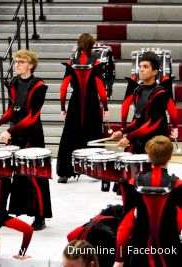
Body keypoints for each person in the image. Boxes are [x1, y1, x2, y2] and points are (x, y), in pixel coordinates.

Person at [0, 49, 51, 230]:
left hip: (32, 135)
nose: (17, 64)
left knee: (35, 176)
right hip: (14, 133)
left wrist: (10, 130)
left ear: (31, 65)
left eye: (21, 62)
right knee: (5, 173)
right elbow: (12, 109)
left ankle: (40, 216)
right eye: (16, 61)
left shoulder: (39, 86)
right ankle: (1, 211)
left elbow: (32, 116)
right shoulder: (14, 82)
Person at [114, 135, 182, 267]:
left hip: (141, 249)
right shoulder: (177, 185)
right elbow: (179, 220)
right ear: (170, 157)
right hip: (171, 248)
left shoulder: (134, 183)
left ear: (148, 156)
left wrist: (119, 259)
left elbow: (125, 225)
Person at [57, 33, 109, 184]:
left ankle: (64, 172)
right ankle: (96, 171)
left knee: (69, 136)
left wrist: (62, 107)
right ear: (92, 45)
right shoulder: (97, 62)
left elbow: (63, 87)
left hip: (75, 104)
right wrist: (105, 108)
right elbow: (101, 89)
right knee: (93, 135)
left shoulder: (71, 62)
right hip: (91, 104)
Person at [111, 51, 178, 153]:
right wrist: (122, 131)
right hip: (140, 138)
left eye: (145, 67)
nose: (141, 70)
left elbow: (152, 123)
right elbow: (139, 119)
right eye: (140, 66)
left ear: (155, 72)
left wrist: (129, 137)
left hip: (155, 143)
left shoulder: (161, 93)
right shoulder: (138, 90)